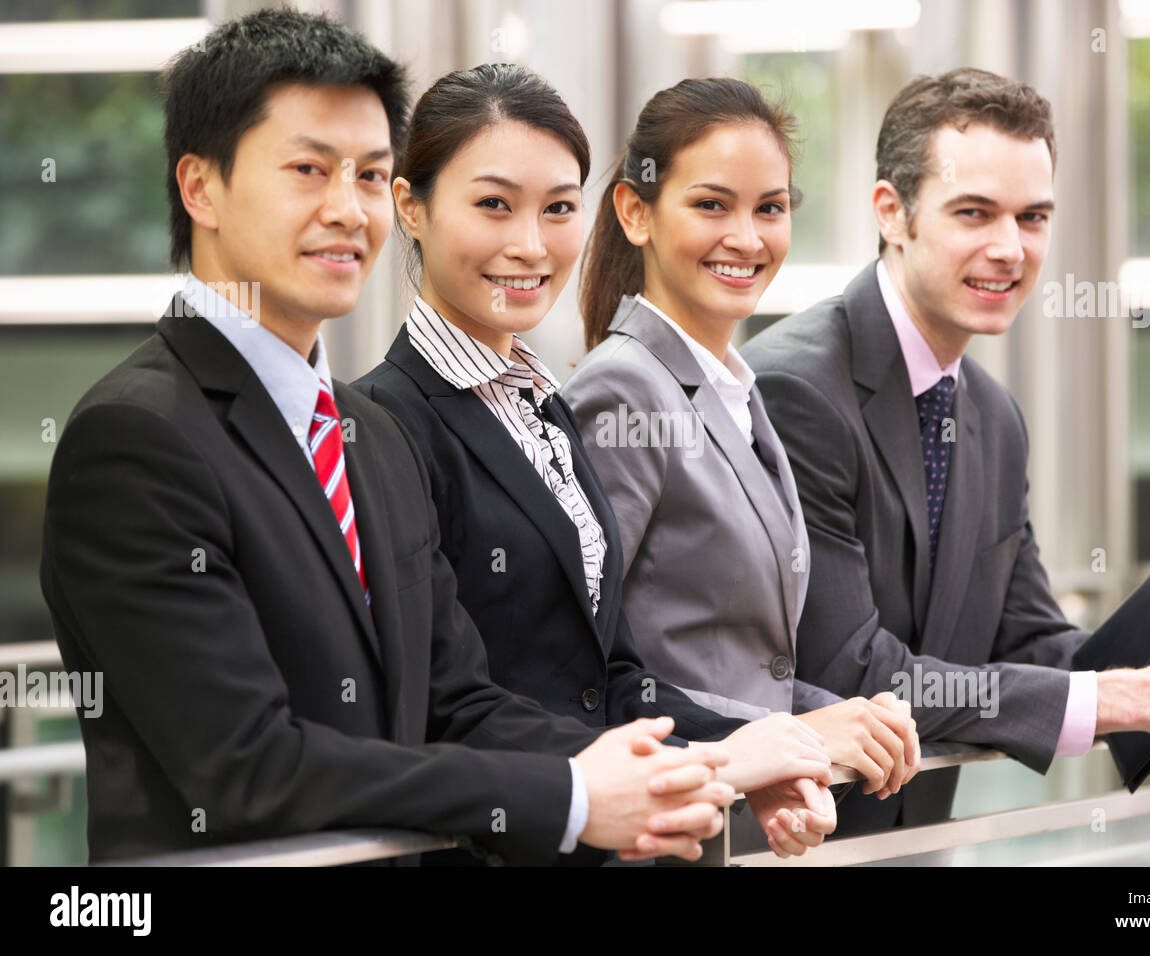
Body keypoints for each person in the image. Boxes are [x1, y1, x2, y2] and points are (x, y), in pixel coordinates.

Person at [38, 8, 734, 866]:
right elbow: (248, 766)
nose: (347, 209)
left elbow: (459, 702)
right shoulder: (136, 438)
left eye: (369, 175)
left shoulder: (368, 433)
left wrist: (677, 775)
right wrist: (572, 796)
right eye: (307, 170)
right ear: (200, 188)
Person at [741, 67, 1150, 834]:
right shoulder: (796, 390)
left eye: (1032, 218)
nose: (1009, 248)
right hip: (782, 845)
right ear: (891, 213)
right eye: (975, 213)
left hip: (914, 845)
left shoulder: (992, 417)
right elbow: (856, 676)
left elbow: (1029, 640)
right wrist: (1138, 699)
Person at [353, 65, 835, 859]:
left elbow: (612, 673)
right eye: (493, 205)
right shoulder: (383, 423)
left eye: (558, 208)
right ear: (411, 206)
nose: (531, 245)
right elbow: (452, 701)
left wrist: (757, 753)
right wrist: (716, 761)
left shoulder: (544, 410)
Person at [562, 77, 922, 845]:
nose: (748, 238)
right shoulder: (624, 390)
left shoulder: (735, 387)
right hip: (663, 833)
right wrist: (793, 738)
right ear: (636, 212)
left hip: (738, 823)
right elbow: (586, 670)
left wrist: (837, 716)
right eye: (711, 205)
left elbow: (741, 662)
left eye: (771, 208)